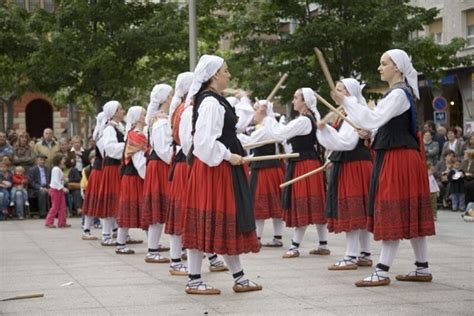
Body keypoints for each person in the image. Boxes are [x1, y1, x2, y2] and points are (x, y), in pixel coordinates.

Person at [334, 49, 435, 287]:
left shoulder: (399, 94)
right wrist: (369, 133)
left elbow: (373, 117)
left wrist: (347, 101)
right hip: (400, 157)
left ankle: (382, 270)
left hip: (399, 159)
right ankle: (422, 268)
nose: (379, 68)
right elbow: (379, 124)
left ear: (397, 67)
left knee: (392, 210)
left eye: (384, 63)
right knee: (408, 210)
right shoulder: (398, 94)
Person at [182, 55, 261, 294]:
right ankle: (194, 280)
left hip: (218, 169)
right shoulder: (210, 102)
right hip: (214, 170)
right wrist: (230, 156)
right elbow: (204, 143)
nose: (229, 74)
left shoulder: (215, 100)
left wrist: (238, 148)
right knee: (207, 220)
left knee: (227, 222)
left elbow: (225, 135)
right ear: (215, 74)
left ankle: (239, 277)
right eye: (226, 70)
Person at [254, 87, 329, 259]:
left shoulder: (304, 121)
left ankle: (295, 246)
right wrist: (269, 116)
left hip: (305, 164)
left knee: (303, 203)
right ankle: (323, 244)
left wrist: (269, 116)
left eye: (296, 98)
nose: (293, 101)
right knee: (314, 203)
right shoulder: (306, 119)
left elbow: (281, 133)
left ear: (305, 102)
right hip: (306, 162)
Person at [318, 78, 373, 270]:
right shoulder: (346, 113)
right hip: (355, 164)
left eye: (340, 90)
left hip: (355, 165)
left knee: (353, 210)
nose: (336, 93)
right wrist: (332, 158)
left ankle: (351, 256)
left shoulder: (354, 112)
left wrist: (325, 131)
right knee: (360, 211)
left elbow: (347, 142)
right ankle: (364, 254)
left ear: (349, 94)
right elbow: (342, 144)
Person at [238, 100, 286, 248]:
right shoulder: (267, 126)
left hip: (266, 170)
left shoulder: (265, 128)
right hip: (269, 167)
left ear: (264, 111)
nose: (254, 113)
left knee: (260, 204)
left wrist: (234, 135)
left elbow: (250, 142)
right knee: (268, 204)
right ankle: (271, 237)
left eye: (256, 109)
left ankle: (260, 238)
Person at [141, 84, 174, 263]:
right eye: (171, 94)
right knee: (160, 207)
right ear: (166, 98)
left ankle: (155, 249)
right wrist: (175, 161)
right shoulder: (160, 122)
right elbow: (163, 150)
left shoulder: (159, 119)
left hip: (160, 165)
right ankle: (152, 250)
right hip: (160, 166)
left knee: (163, 208)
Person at [93, 101, 126, 246]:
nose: (123, 111)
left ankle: (116, 232)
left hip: (117, 167)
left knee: (116, 200)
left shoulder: (118, 127)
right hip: (112, 168)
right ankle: (106, 235)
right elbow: (111, 149)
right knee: (111, 200)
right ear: (113, 112)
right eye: (120, 109)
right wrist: (129, 145)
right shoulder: (109, 129)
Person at [116, 106, 147, 255]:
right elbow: (139, 161)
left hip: (135, 177)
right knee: (129, 209)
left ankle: (153, 243)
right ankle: (120, 244)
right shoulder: (135, 135)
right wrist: (147, 176)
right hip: (133, 177)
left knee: (145, 209)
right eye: (143, 114)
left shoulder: (137, 134)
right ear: (136, 118)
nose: (145, 116)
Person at [81, 113, 106, 240]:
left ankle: (112, 230)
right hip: (100, 170)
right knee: (95, 200)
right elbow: (106, 153)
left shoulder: (102, 133)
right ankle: (87, 230)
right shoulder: (102, 134)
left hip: (101, 170)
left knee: (97, 200)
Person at [44, 154, 70, 228]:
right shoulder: (56, 169)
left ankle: (62, 222)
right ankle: (49, 222)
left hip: (58, 190)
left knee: (62, 206)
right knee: (55, 206)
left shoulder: (58, 169)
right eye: (63, 159)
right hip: (55, 190)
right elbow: (55, 181)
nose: (64, 160)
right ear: (59, 160)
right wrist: (63, 188)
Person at [27, 154, 51, 218]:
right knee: (43, 193)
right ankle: (43, 214)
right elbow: (31, 182)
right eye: (40, 160)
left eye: (43, 160)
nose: (42, 161)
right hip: (36, 189)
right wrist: (41, 188)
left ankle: (56, 213)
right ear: (37, 161)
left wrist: (49, 188)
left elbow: (50, 180)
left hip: (47, 187)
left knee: (56, 192)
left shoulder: (48, 169)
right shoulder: (32, 170)